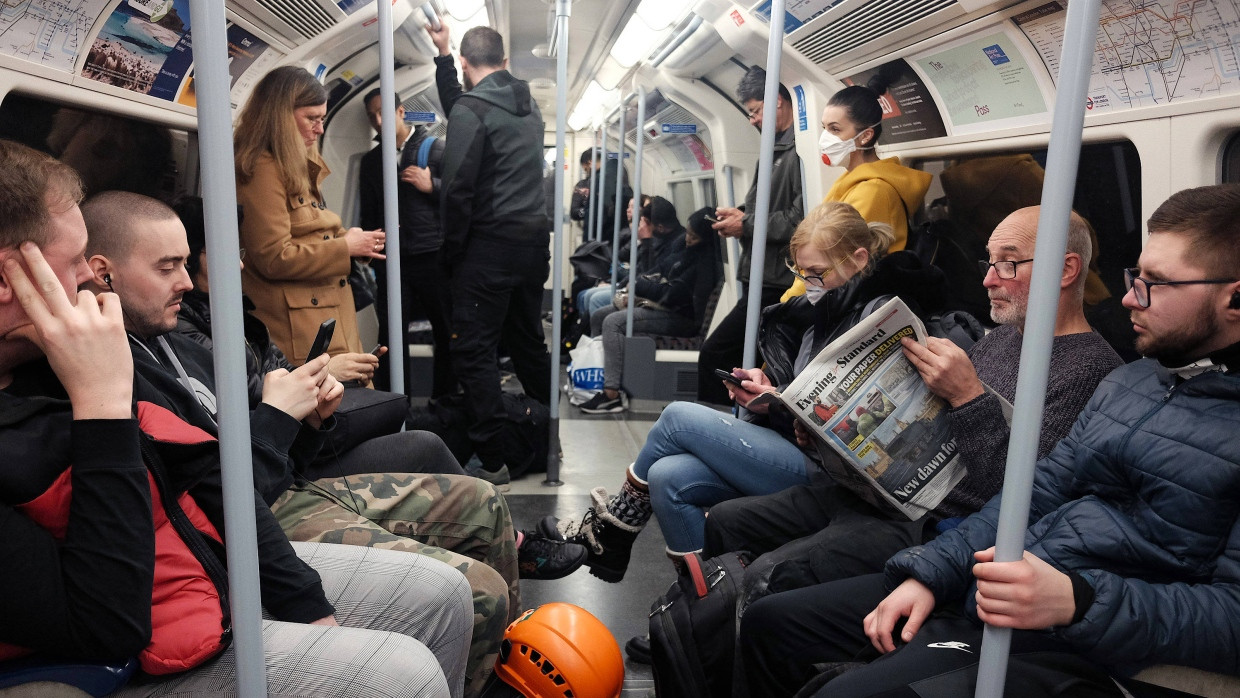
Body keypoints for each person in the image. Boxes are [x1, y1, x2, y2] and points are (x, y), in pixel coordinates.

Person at [0, 140, 469, 697]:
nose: (89, 278)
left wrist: (303, 601)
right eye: (76, 261)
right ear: (9, 280)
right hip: (125, 644)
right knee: (399, 673)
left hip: (192, 573)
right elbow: (109, 624)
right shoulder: (87, 368)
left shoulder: (66, 359)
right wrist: (102, 406)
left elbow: (209, 487)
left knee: (441, 596)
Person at [81, 191, 588, 697]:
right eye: (168, 267)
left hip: (279, 488)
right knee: (477, 591)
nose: (187, 283)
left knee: (483, 500)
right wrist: (278, 419)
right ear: (104, 273)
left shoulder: (175, 345)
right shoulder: (121, 377)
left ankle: (502, 663)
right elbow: (216, 498)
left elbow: (262, 467)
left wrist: (310, 421)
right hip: (256, 517)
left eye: (187, 265)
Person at [740, 184, 1240, 697]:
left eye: (1155, 283)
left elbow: (1230, 616)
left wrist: (1079, 599)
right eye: (1137, 276)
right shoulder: (1134, 383)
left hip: (1075, 624)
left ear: (1234, 298)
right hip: (996, 574)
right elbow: (1036, 491)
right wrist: (931, 574)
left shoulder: (1098, 371)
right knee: (772, 624)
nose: (1130, 296)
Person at [693, 207, 1121, 685]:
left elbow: (1020, 494)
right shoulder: (1000, 342)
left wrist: (967, 396)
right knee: (729, 519)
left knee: (774, 582)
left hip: (936, 520)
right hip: (880, 495)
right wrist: (812, 427)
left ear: (1065, 270)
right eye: (989, 263)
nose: (988, 281)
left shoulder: (1090, 372)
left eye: (1008, 264)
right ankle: (697, 650)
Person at [547, 202, 943, 582]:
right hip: (795, 444)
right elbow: (806, 390)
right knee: (668, 476)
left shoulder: (882, 318)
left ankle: (613, 530)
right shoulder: (814, 315)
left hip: (830, 472)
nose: (808, 285)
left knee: (676, 418)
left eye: (817, 274)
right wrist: (769, 393)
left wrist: (783, 401)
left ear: (858, 260)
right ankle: (702, 604)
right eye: (800, 272)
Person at [435, 24, 552, 487]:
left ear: (467, 65)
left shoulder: (472, 109)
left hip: (488, 246)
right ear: (504, 63)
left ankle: (494, 458)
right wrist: (444, 55)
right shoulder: (528, 106)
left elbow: (459, 189)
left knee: (474, 349)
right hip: (531, 244)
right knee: (527, 342)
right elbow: (463, 107)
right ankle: (546, 435)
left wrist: (452, 252)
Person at [234, 66, 387, 383]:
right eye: (312, 118)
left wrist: (350, 241)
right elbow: (274, 257)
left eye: (323, 118)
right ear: (280, 117)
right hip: (300, 325)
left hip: (324, 313)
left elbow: (313, 230)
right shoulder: (261, 169)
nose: (320, 129)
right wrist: (344, 247)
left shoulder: (297, 163)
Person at [698, 66, 805, 405]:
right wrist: (740, 214)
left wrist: (745, 224)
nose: (752, 120)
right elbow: (761, 206)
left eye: (755, 111)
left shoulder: (798, 153)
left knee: (714, 355)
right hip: (761, 276)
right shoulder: (771, 150)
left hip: (779, 282)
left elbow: (797, 221)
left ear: (776, 102)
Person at [357, 88, 457, 399]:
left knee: (446, 331)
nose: (378, 120)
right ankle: (399, 405)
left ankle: (445, 403)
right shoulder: (372, 161)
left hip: (432, 256)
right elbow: (370, 212)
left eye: (383, 111)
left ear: (401, 111)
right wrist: (374, 256)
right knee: (391, 336)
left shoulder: (436, 149)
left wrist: (433, 186)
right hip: (392, 261)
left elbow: (461, 198)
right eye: (372, 116)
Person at [579, 206, 723, 414]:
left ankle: (611, 394)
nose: (687, 239)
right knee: (601, 314)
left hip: (681, 318)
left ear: (704, 238)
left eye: (692, 236)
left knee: (614, 322)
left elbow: (675, 294)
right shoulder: (685, 251)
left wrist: (640, 287)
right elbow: (660, 269)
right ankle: (597, 374)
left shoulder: (704, 263)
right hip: (666, 308)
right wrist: (639, 285)